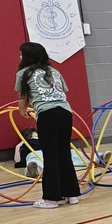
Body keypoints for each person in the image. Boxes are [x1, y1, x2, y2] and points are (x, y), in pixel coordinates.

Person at [15, 42, 81, 208]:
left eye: (21, 54)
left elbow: (23, 98)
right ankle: (72, 194)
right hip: (66, 113)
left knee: (50, 156)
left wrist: (22, 111)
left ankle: (51, 199)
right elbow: (61, 92)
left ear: (28, 56)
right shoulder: (54, 71)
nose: (19, 57)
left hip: (47, 115)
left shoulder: (23, 73)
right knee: (64, 153)